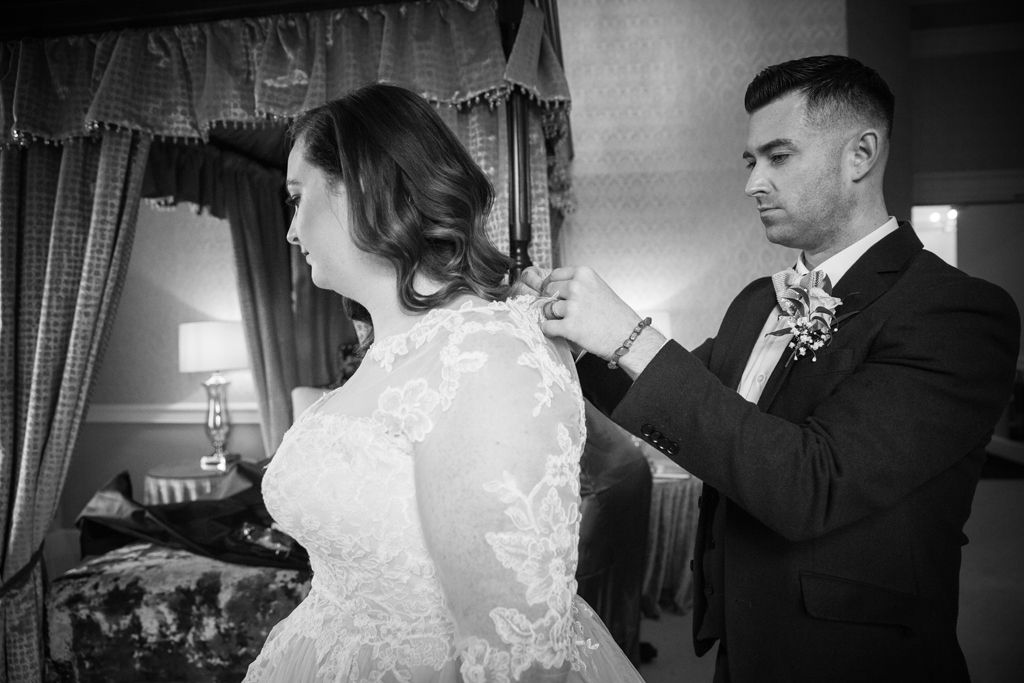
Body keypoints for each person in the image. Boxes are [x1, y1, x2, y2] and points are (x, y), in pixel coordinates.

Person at [522, 55, 1020, 682]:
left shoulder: (956, 313)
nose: (753, 183)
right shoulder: (759, 300)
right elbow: (674, 398)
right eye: (750, 162)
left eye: (778, 157)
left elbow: (813, 484)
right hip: (743, 642)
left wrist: (627, 330)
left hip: (857, 658)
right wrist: (566, 331)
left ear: (860, 155)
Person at [243, 83, 644, 683]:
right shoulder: (386, 351)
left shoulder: (482, 352)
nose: (290, 230)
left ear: (360, 189)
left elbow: (516, 650)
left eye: (298, 198)